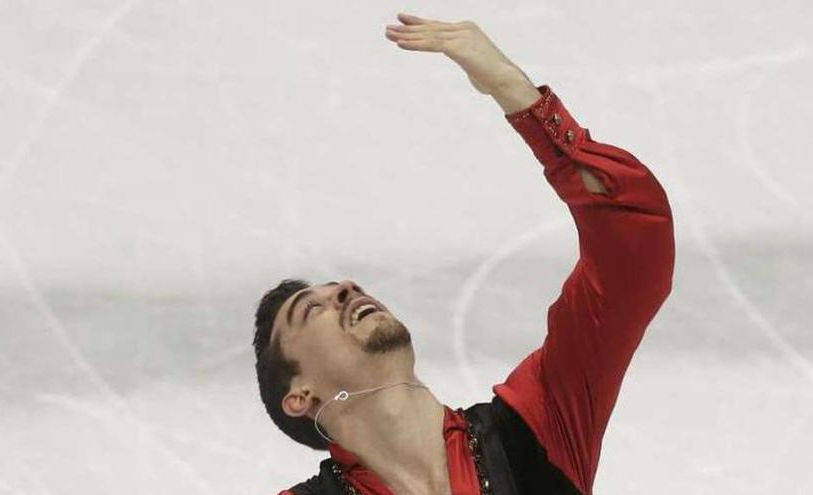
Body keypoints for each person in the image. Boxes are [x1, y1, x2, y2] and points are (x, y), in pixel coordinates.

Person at [252, 12, 675, 495]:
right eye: (311, 310)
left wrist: (518, 95)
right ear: (300, 396)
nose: (346, 289)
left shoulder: (536, 428)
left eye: (341, 289)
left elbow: (631, 251)